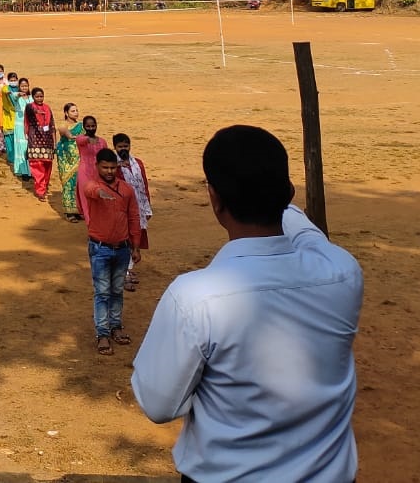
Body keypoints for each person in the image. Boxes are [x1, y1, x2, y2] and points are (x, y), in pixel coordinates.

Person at [132, 126, 362, 483]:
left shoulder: (194, 297)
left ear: (214, 198)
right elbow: (308, 235)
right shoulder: (342, 272)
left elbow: (158, 405)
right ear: (289, 193)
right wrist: (280, 202)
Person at [83, 148, 142, 356]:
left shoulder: (127, 190)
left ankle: (116, 326)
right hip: (99, 248)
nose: (109, 171)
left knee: (117, 290)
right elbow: (89, 190)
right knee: (102, 292)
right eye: (105, 167)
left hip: (122, 249)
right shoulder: (92, 185)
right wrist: (101, 194)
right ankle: (102, 334)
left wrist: (136, 246)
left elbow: (134, 218)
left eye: (112, 167)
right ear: (97, 167)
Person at [112, 133, 152, 290]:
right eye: (120, 146)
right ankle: (124, 272)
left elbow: (144, 185)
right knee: (124, 239)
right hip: (122, 209)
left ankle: (127, 269)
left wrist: (147, 206)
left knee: (134, 238)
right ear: (115, 147)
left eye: (126, 146)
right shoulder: (112, 166)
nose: (123, 149)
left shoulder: (138, 163)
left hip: (138, 207)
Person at [24, 88, 57, 200]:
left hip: (48, 142)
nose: (39, 99)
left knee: (47, 167)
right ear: (33, 97)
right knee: (37, 168)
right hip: (35, 142)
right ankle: (40, 191)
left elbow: (52, 125)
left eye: (41, 96)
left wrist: (54, 142)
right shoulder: (29, 107)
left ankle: (44, 186)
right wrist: (37, 112)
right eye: (37, 96)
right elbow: (30, 111)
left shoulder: (47, 108)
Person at [75, 114, 108, 220]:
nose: (91, 128)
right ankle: (89, 222)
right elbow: (81, 140)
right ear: (84, 127)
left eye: (93, 126)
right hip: (84, 173)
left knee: (98, 198)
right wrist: (88, 140)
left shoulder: (102, 141)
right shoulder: (80, 139)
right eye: (88, 126)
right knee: (85, 199)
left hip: (98, 174)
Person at [56, 103, 83, 220]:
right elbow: (63, 130)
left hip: (79, 159)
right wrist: (70, 136)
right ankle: (69, 212)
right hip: (66, 158)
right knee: (68, 183)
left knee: (78, 183)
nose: (76, 113)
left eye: (76, 110)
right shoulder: (64, 124)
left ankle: (77, 210)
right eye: (73, 111)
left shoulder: (81, 126)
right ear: (66, 113)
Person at [9, 78, 33, 179]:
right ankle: (23, 171)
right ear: (19, 87)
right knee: (22, 148)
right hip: (20, 126)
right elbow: (13, 96)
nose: (24, 88)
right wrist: (19, 94)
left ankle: (31, 171)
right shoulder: (16, 97)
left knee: (30, 148)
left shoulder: (31, 98)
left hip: (30, 126)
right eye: (22, 86)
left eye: (26, 86)